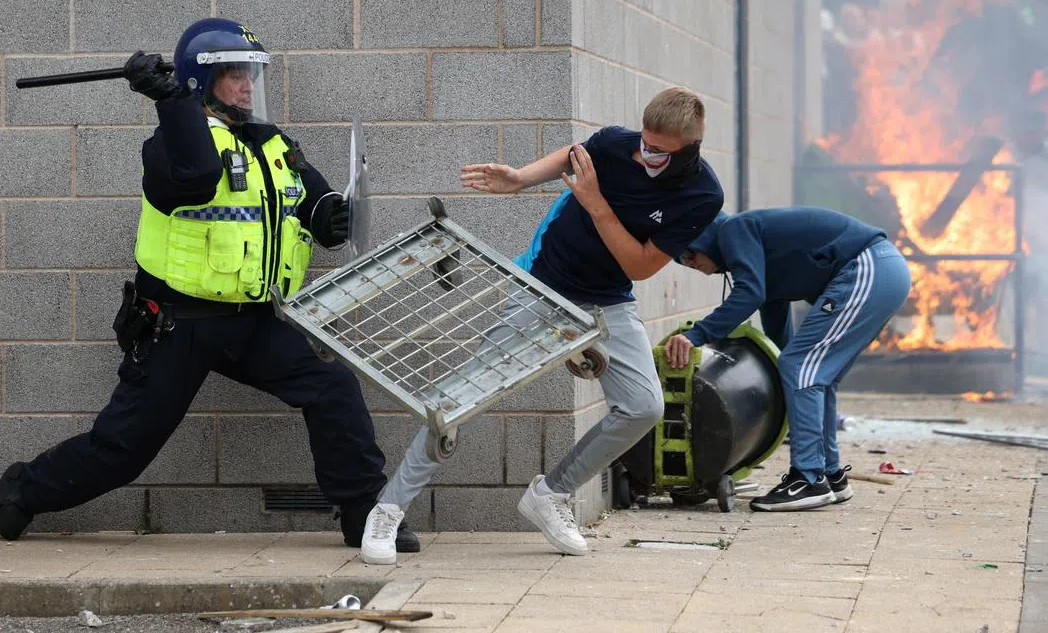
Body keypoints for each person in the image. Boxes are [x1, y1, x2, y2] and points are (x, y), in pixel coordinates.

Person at [0, 18, 419, 553]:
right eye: (234, 74)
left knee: (332, 388)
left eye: (251, 73)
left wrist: (331, 216)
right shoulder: (169, 146)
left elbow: (310, 202)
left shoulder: (272, 143)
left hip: (251, 322)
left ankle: (362, 517)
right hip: (178, 324)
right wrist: (169, 100)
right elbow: (195, 177)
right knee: (122, 449)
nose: (248, 85)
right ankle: (17, 494)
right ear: (202, 82)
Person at [356, 86, 725, 564]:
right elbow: (571, 156)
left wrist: (595, 204)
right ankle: (388, 509)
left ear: (689, 149)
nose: (645, 153)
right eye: (643, 142)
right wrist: (519, 178)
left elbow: (638, 265)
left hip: (609, 298)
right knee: (461, 398)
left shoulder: (702, 195)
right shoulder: (618, 144)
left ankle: (551, 494)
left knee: (643, 406)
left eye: (658, 150)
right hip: (543, 283)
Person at [665, 207, 912, 512]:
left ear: (703, 238)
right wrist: (786, 369)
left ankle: (808, 479)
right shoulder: (756, 254)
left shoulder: (734, 229)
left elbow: (749, 294)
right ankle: (830, 475)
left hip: (869, 266)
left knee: (803, 367)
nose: (691, 264)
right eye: (681, 262)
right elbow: (775, 320)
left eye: (689, 254)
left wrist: (696, 335)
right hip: (882, 272)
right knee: (815, 375)